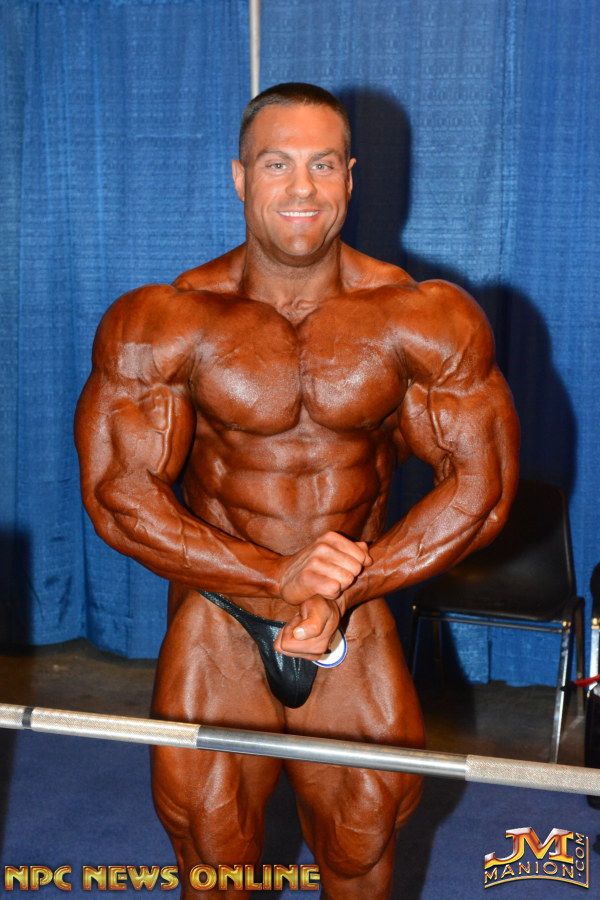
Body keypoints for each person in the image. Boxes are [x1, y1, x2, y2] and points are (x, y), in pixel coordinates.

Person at [75, 83, 519, 898]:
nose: (302, 187)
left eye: (323, 164)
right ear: (240, 177)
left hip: (356, 609)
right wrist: (275, 576)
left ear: (350, 177)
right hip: (220, 617)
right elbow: (117, 497)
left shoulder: (423, 317)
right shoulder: (164, 320)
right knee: (215, 861)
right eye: (277, 164)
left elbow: (480, 492)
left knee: (360, 848)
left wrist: (347, 587)